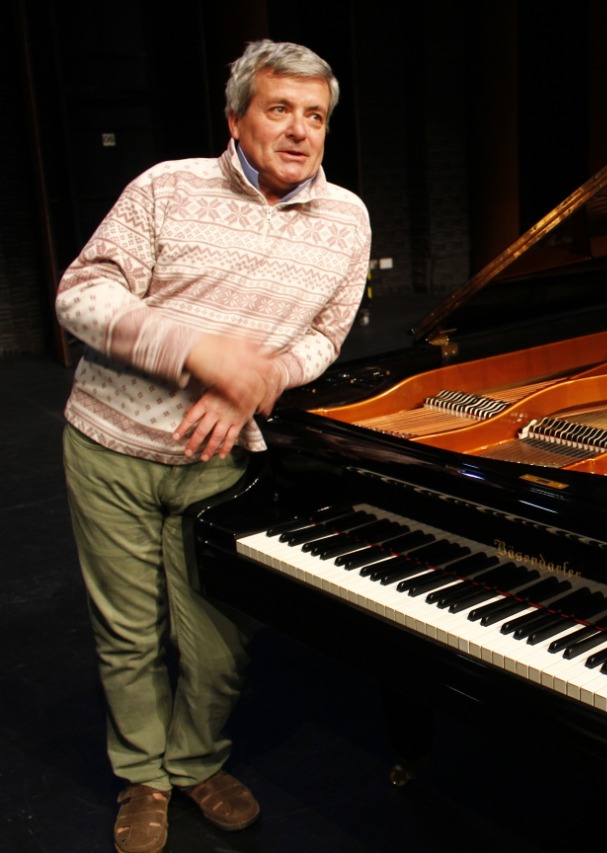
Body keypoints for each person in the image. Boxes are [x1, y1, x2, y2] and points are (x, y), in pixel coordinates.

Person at [56, 39, 371, 853]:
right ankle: (144, 776)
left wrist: (262, 378)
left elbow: (326, 336)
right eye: (280, 109)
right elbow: (81, 295)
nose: (299, 130)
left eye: (315, 116)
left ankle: (195, 760)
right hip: (112, 445)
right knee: (129, 634)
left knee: (219, 641)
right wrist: (197, 351)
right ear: (236, 118)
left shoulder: (348, 218)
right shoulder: (166, 186)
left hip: (223, 460)